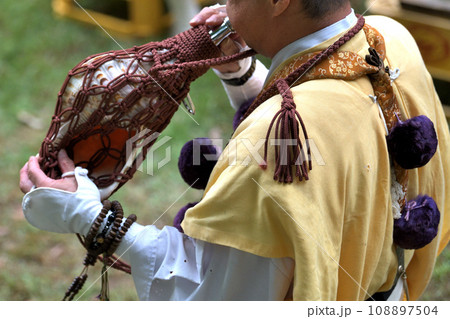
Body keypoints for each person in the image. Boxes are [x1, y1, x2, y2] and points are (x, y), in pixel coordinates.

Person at [20, 0, 449, 301]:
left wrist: (87, 216)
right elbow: (335, 124)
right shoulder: (390, 37)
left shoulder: (270, 143)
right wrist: (241, 73)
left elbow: (215, 290)